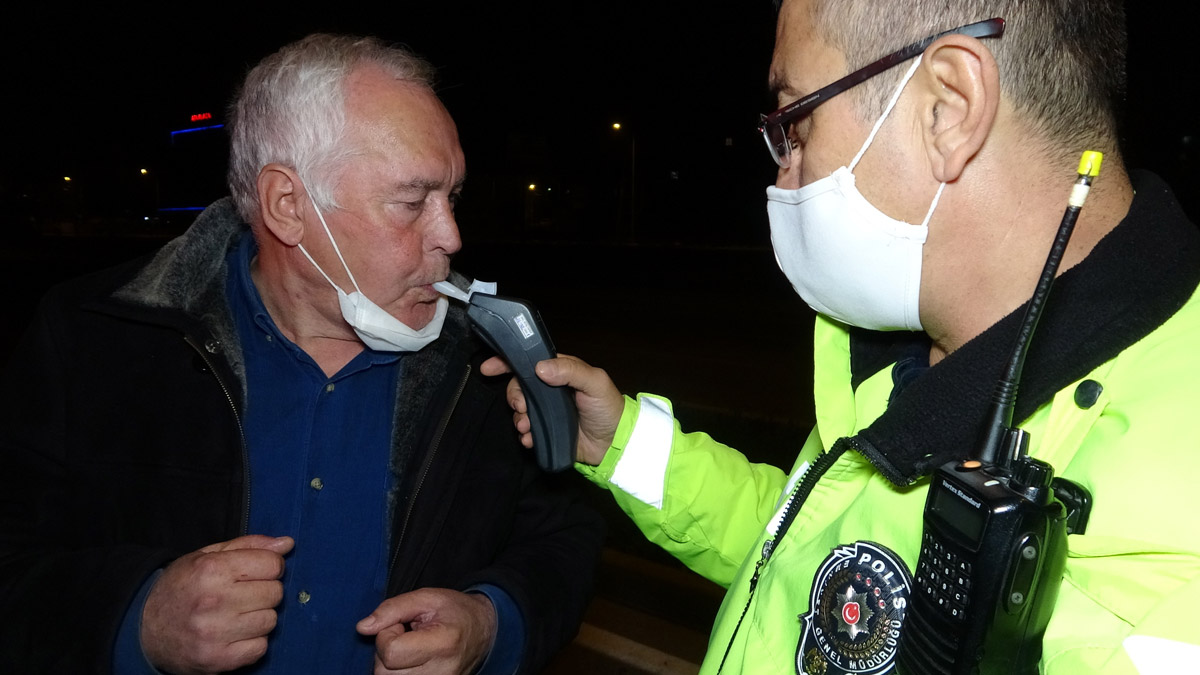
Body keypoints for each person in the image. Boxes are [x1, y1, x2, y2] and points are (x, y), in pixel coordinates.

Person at [491, 0, 1200, 673]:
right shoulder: (907, 348)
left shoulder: (1167, 541)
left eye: (794, 122)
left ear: (948, 108)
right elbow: (814, 550)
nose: (782, 168)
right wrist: (622, 442)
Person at [0, 34, 602, 674]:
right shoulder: (96, 338)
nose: (450, 236)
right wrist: (135, 618)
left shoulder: (491, 360)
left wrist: (492, 623)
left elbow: (563, 540)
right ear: (288, 206)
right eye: (411, 201)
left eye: (450, 197)